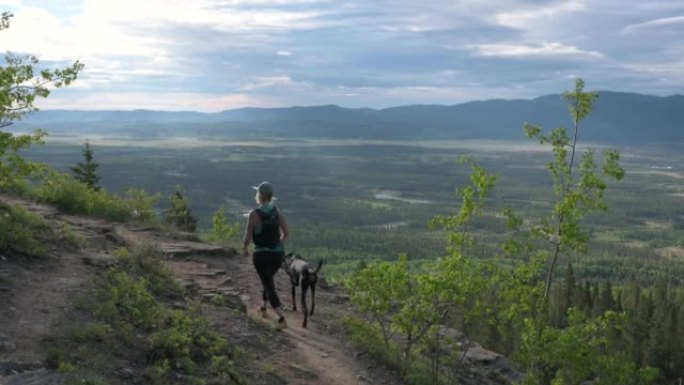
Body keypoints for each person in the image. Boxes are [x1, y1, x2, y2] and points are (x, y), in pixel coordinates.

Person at [242, 181, 289, 328]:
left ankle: (281, 318)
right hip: (277, 255)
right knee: (267, 280)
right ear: (271, 196)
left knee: (269, 284)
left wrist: (244, 247)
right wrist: (278, 243)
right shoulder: (277, 212)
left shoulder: (254, 214)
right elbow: (286, 233)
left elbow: (248, 236)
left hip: (261, 255)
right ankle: (263, 307)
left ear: (259, 196)